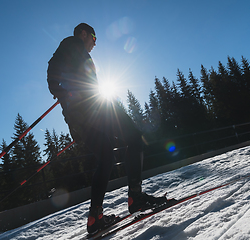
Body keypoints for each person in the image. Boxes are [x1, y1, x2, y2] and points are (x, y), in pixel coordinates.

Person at [47, 23, 166, 234]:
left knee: (106, 156)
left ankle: (95, 217)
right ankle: (136, 197)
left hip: (80, 115)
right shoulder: (73, 43)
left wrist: (64, 94)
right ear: (84, 34)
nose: (95, 42)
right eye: (93, 37)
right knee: (134, 136)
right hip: (92, 107)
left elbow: (63, 75)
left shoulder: (75, 52)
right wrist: (61, 89)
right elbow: (53, 71)